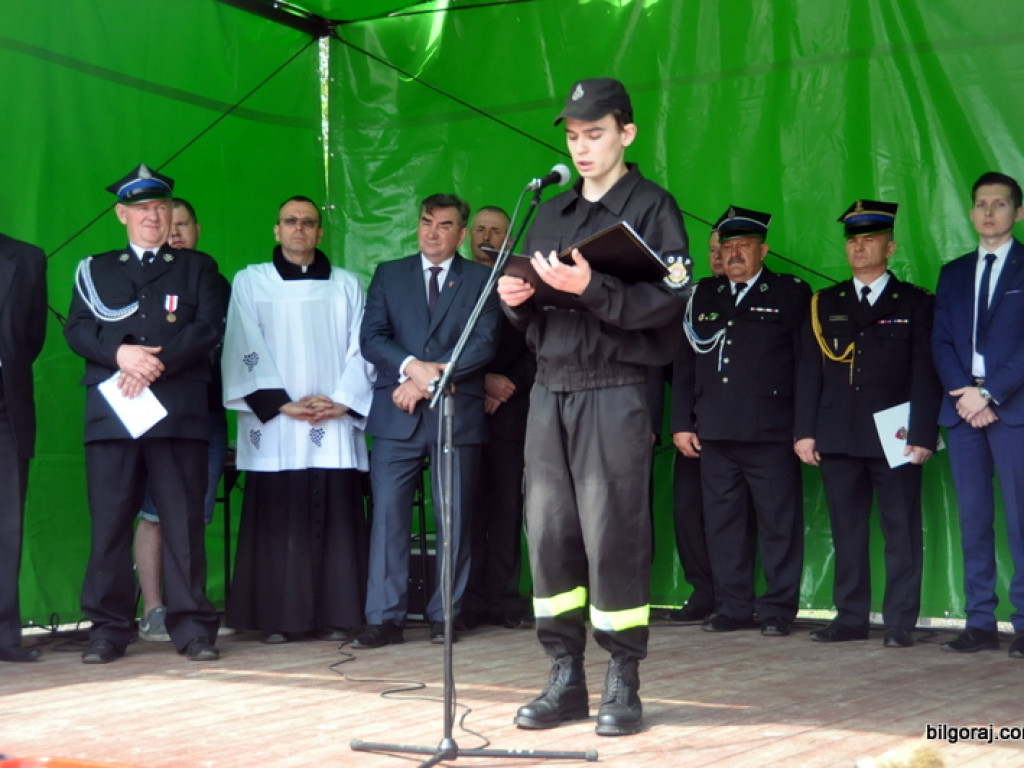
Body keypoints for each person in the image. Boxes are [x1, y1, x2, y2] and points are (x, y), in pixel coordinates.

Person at [497, 78, 688, 737]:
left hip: (617, 388)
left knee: (614, 536)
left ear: (627, 134)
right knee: (548, 534)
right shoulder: (549, 211)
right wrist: (516, 302)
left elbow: (670, 300)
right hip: (552, 386)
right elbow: (531, 312)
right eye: (573, 136)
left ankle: (622, 680)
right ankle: (564, 677)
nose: (581, 148)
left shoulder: (654, 207)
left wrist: (596, 287)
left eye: (595, 134)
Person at [64, 163, 224, 663]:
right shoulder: (95, 268)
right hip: (115, 409)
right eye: (140, 208)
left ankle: (192, 626)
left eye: (160, 207)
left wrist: (151, 363)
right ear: (121, 214)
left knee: (181, 521)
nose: (152, 216)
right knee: (110, 522)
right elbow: (77, 330)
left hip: (176, 409)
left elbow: (205, 329)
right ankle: (109, 629)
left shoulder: (197, 268)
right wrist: (120, 357)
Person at [223, 195, 373, 643]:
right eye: (290, 221)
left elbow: (362, 346)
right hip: (278, 424)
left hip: (334, 418)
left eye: (308, 223)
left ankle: (337, 615)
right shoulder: (251, 283)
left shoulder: (347, 284)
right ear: (276, 229)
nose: (299, 229)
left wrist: (343, 400)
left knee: (337, 515)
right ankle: (276, 619)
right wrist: (280, 401)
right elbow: (242, 343)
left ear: (319, 232)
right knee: (277, 518)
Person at [794, 200, 942, 647]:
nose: (860, 248)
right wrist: (804, 430)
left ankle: (899, 621)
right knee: (848, 531)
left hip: (895, 438)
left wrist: (922, 435)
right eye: (853, 241)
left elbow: (925, 373)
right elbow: (809, 372)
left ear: (890, 246)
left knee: (900, 531)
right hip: (838, 434)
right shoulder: (827, 303)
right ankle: (851, 616)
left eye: (870, 240)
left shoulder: (915, 303)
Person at [355, 193, 500, 648]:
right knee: (389, 520)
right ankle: (384, 617)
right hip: (396, 415)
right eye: (426, 223)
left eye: (444, 225)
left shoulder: (481, 278)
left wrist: (423, 381)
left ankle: (446, 615)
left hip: (454, 414)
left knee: (452, 517)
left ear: (461, 233)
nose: (432, 233)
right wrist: (411, 367)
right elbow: (372, 338)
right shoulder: (389, 274)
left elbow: (483, 344)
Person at [675, 205, 812, 639]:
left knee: (778, 524)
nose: (735, 254)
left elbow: (808, 367)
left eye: (744, 246)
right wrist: (681, 422)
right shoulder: (703, 294)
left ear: (763, 250)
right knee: (723, 525)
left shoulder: (790, 292)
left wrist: (804, 428)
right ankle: (732, 605)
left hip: (771, 432)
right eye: (728, 246)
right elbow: (685, 365)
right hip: (715, 431)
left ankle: (776, 609)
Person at [932, 171, 1024, 657]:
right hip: (962, 410)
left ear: (1018, 212)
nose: (989, 212)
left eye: (1000, 204)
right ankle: (980, 621)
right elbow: (941, 340)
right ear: (970, 213)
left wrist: (991, 396)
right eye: (982, 204)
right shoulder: (953, 272)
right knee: (973, 519)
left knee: (1020, 519)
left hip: (1012, 411)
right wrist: (963, 393)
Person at [134, 198, 229, 643]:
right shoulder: (141, 282)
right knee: (152, 513)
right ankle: (154, 608)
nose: (172, 230)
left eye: (181, 223)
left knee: (194, 515)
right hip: (146, 409)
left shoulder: (214, 282)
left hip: (203, 412)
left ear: (197, 229)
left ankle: (189, 612)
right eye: (165, 223)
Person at [462, 205, 534, 629]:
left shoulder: (523, 285)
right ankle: (467, 600)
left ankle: (506, 600)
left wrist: (506, 383)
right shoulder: (457, 282)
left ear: (510, 240)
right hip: (466, 408)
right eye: (482, 229)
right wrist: (481, 382)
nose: (488, 236)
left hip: (512, 412)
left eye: (498, 231)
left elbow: (539, 346)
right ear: (469, 235)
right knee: (468, 508)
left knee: (508, 508)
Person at [668, 223, 725, 623]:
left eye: (726, 247)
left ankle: (732, 593)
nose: (719, 256)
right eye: (713, 249)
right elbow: (679, 365)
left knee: (734, 515)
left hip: (741, 428)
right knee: (688, 511)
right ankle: (703, 590)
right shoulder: (694, 297)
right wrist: (679, 422)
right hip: (696, 425)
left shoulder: (770, 293)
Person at [0, 232, 46, 663]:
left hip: (5, 406)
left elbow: (31, 338)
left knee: (7, 525)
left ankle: (2, 636)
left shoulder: (27, 259)